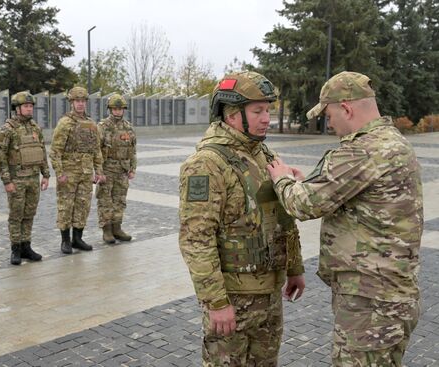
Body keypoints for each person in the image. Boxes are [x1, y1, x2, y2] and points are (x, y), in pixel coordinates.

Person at [266, 71, 423, 366]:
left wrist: (281, 179)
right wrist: (306, 181)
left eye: (329, 114)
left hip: (370, 305)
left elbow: (302, 205)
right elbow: (350, 193)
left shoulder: (362, 150)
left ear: (347, 108)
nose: (329, 123)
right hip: (393, 296)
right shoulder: (393, 142)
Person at [179, 71, 305, 366]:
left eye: (268, 110)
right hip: (233, 298)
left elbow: (283, 215)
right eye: (258, 111)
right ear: (233, 114)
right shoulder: (206, 164)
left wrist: (294, 266)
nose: (266, 118)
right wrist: (216, 302)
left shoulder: (263, 153)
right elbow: (196, 239)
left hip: (270, 294)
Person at [0, 91, 50, 265]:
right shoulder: (7, 129)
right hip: (17, 179)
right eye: (26, 106)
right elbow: (1, 156)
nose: (29, 109)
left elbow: (41, 151)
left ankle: (27, 246)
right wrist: (7, 181)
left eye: (31, 106)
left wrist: (46, 174)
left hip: (33, 178)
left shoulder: (35, 127)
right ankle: (16, 249)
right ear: (17, 108)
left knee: (29, 214)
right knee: (16, 215)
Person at [50, 86, 105, 254]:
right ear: (71, 103)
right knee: (66, 206)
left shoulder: (91, 124)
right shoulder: (65, 123)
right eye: (77, 101)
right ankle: (65, 240)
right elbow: (55, 151)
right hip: (69, 174)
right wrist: (59, 173)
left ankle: (77, 238)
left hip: (86, 173)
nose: (80, 104)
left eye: (83, 101)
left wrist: (99, 171)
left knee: (83, 205)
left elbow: (96, 150)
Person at [96, 94, 137, 244]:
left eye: (120, 109)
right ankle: (107, 230)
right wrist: (99, 171)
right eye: (115, 109)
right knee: (105, 200)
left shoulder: (128, 127)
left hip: (122, 170)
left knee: (120, 200)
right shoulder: (103, 127)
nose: (118, 111)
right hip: (107, 169)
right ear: (110, 109)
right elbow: (97, 150)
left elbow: (132, 150)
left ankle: (117, 228)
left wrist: (132, 168)